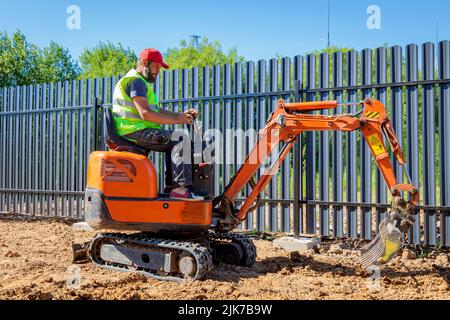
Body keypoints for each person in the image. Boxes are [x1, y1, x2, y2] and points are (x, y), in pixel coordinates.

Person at [112, 48, 203, 201]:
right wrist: (177, 120)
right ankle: (180, 190)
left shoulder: (138, 82)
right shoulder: (136, 81)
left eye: (159, 68)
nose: (158, 71)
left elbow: (157, 110)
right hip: (135, 131)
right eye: (156, 66)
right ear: (143, 63)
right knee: (180, 140)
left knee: (174, 140)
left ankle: (172, 188)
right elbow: (146, 114)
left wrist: (180, 115)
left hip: (135, 130)